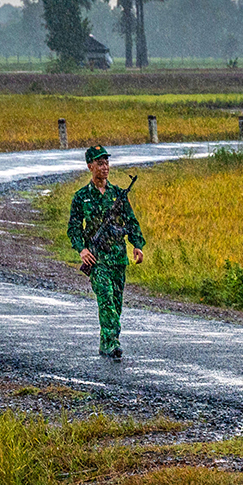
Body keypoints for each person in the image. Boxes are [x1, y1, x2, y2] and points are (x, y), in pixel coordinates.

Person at [66, 147, 145, 359]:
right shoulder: (82, 197)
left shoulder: (118, 194)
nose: (105, 167)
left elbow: (131, 222)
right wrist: (81, 250)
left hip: (118, 257)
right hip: (97, 259)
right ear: (90, 166)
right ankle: (112, 342)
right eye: (100, 163)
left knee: (116, 302)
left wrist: (137, 245)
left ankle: (105, 342)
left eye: (107, 163)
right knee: (106, 300)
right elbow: (73, 228)